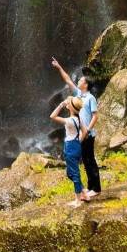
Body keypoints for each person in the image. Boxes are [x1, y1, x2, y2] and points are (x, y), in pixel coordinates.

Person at [51, 57, 101, 198]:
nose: (78, 81)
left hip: (88, 134)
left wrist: (87, 131)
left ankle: (96, 188)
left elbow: (95, 116)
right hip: (81, 133)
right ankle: (89, 187)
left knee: (90, 160)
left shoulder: (91, 98)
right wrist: (59, 67)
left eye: (81, 80)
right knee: (85, 160)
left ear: (86, 84)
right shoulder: (79, 95)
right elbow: (68, 80)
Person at [50, 95, 89, 206]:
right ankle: (84, 193)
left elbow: (52, 116)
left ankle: (77, 200)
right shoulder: (78, 119)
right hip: (75, 145)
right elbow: (85, 132)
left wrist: (61, 104)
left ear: (71, 108)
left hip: (71, 147)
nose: (67, 103)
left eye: (69, 103)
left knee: (74, 174)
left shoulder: (70, 121)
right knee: (70, 173)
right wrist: (78, 142)